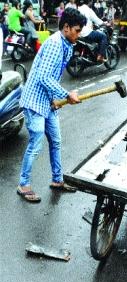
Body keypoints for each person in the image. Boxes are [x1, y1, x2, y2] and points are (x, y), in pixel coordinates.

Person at [17, 8, 86, 203]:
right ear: (66, 28)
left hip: (47, 101)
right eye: (77, 30)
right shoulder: (55, 44)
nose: (78, 34)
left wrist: (54, 99)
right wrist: (66, 94)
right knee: (36, 141)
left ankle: (57, 180)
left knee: (55, 140)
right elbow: (43, 76)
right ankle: (23, 184)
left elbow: (52, 77)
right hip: (34, 101)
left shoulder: (67, 44)